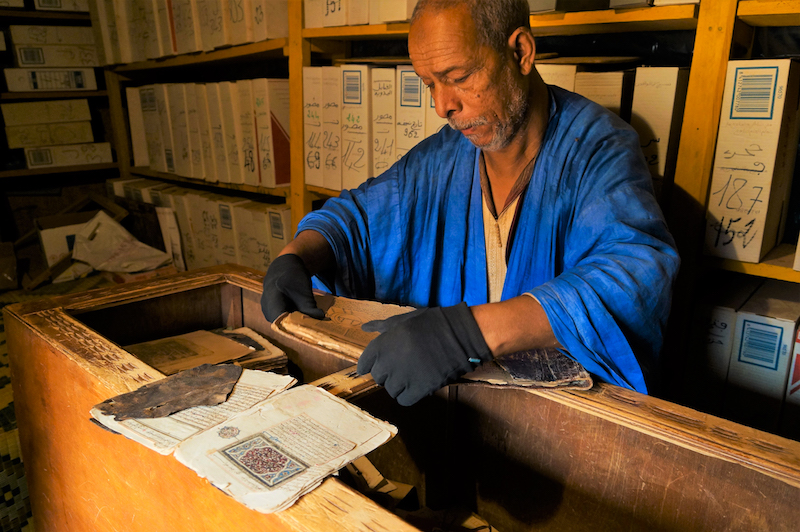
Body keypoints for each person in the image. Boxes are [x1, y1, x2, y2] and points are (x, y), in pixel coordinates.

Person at [261, 0, 680, 406]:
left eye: (458, 76)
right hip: (462, 409)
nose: (443, 105)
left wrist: (466, 334)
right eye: (429, 84)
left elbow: (631, 273)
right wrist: (297, 255)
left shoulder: (597, 147)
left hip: (562, 425)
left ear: (520, 52)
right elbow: (358, 218)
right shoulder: (440, 159)